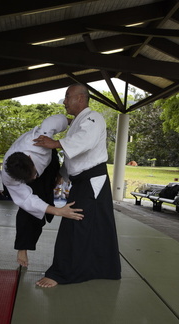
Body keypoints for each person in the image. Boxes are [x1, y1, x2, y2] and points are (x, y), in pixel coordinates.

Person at [34, 83, 121, 287]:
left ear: (80, 98)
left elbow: (85, 141)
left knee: (75, 221)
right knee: (96, 225)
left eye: (67, 97)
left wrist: (55, 143)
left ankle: (63, 272)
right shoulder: (78, 123)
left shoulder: (94, 118)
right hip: (84, 180)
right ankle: (104, 268)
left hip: (92, 180)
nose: (64, 102)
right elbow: (76, 156)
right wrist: (62, 174)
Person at [2, 114, 84, 267]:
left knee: (46, 196)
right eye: (32, 178)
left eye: (34, 174)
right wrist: (58, 211)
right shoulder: (9, 177)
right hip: (24, 173)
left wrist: (72, 121)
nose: (35, 177)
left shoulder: (37, 141)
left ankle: (52, 180)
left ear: (31, 159)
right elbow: (27, 200)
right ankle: (23, 247)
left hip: (48, 156)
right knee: (29, 211)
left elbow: (53, 121)